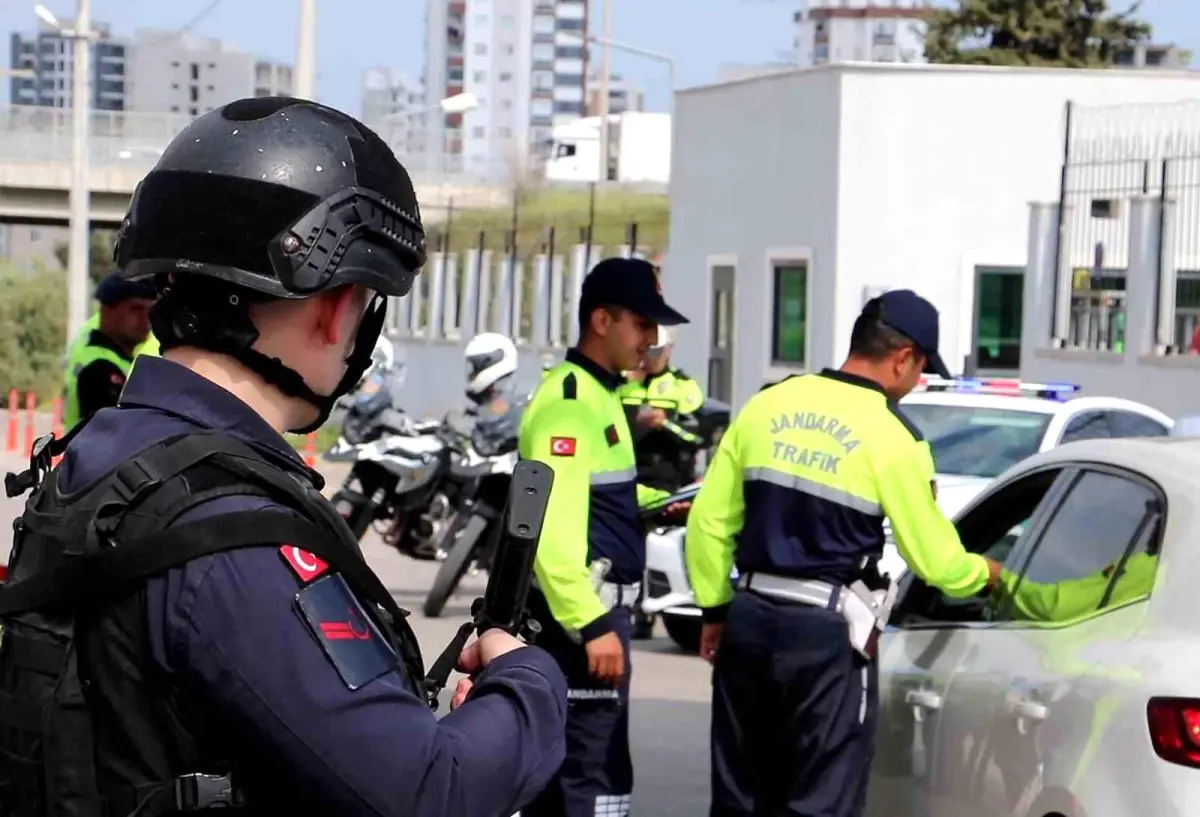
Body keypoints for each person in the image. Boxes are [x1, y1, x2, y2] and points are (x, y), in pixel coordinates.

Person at [0, 97, 566, 817]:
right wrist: (527, 679)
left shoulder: (99, 461)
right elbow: (429, 790)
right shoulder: (232, 535)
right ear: (337, 307)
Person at [685, 289, 1004, 817]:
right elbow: (934, 560)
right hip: (825, 639)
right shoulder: (895, 436)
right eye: (922, 368)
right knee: (821, 799)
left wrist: (716, 610)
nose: (917, 382)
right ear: (903, 357)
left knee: (741, 796)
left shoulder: (769, 404)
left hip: (750, 620)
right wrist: (987, 575)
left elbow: (709, 523)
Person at [519, 256, 688, 817]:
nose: (652, 341)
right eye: (642, 325)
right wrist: (591, 624)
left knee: (594, 776)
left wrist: (658, 506)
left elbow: (594, 496)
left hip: (594, 618)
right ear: (601, 321)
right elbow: (549, 529)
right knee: (589, 782)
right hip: (581, 624)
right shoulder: (571, 406)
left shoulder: (601, 394)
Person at [61, 271, 157, 431]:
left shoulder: (115, 360)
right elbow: (116, 434)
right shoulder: (100, 369)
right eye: (136, 309)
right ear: (107, 310)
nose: (145, 318)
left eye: (149, 310)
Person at [619, 326, 706, 492]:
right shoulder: (619, 383)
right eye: (644, 350)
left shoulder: (683, 386)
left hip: (668, 480)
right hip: (625, 475)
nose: (647, 358)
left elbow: (698, 436)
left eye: (655, 352)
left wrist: (667, 423)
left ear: (668, 350)